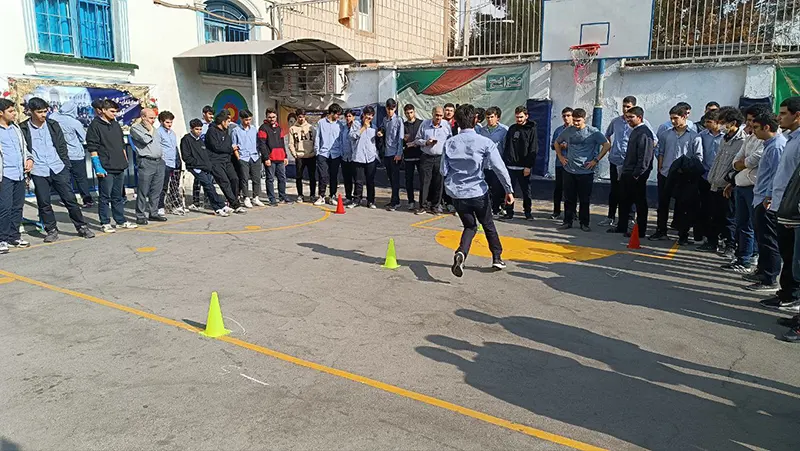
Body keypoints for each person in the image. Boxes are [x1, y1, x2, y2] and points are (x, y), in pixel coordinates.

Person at [443, 104, 514, 277]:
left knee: (469, 226)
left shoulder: (450, 143)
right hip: (477, 192)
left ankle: (461, 252)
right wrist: (508, 190)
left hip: (457, 194)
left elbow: (443, 171)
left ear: (456, 121)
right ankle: (497, 257)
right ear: (475, 120)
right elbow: (500, 168)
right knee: (488, 224)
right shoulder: (485, 142)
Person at [19, 97, 94, 242]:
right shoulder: (23, 128)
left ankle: (81, 226)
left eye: (45, 111)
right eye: (39, 112)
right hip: (38, 170)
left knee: (70, 199)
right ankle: (51, 229)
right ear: (31, 112)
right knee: (44, 202)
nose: (43, 115)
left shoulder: (53, 125)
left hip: (57, 167)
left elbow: (61, 146)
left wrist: (65, 166)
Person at [761, 96, 800, 323]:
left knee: (795, 259)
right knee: (788, 255)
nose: (779, 117)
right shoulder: (789, 139)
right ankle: (786, 294)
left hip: (793, 209)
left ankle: (791, 295)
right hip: (780, 205)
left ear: (797, 115)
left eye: (784, 113)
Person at [722, 104, 767, 273]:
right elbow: (737, 160)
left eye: (751, 122)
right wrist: (742, 164)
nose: (748, 126)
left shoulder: (766, 140)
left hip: (754, 187)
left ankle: (747, 259)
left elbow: (751, 161)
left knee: (749, 226)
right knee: (741, 223)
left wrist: (744, 163)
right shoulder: (749, 137)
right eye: (747, 122)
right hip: (741, 185)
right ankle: (742, 256)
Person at [649, 104, 704, 241]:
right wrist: (661, 168)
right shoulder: (666, 134)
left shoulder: (694, 136)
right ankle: (661, 230)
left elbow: (698, 157)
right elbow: (660, 152)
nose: (673, 121)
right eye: (671, 118)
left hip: (684, 176)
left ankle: (682, 235)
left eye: (676, 118)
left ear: (684, 116)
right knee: (663, 204)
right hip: (666, 173)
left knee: (683, 206)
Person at [744, 112, 786, 291]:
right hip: (760, 196)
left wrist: (768, 197)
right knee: (762, 239)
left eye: (755, 128)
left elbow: (777, 175)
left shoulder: (777, 146)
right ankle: (762, 270)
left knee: (769, 241)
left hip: (766, 201)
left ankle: (770, 278)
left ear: (766, 127)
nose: (752, 132)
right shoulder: (769, 145)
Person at [601, 96, 656, 228]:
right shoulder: (619, 123)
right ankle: (619, 223)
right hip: (619, 163)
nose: (628, 117)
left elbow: (646, 154)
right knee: (620, 194)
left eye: (631, 115)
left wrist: (638, 172)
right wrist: (612, 151)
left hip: (634, 171)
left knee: (637, 199)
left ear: (639, 116)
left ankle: (635, 224)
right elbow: (606, 136)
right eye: (624, 108)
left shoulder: (644, 131)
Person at [554, 108, 611, 231]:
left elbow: (606, 145)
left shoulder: (593, 132)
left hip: (586, 171)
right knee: (569, 198)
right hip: (569, 170)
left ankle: (584, 223)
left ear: (584, 119)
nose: (575, 123)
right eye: (574, 120)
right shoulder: (568, 131)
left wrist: (596, 160)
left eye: (578, 121)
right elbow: (556, 143)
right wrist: (561, 157)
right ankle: (567, 221)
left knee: (584, 199)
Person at [85, 99, 137, 233]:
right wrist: (97, 166)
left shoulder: (115, 125)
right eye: (112, 111)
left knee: (118, 196)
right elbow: (93, 147)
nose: (115, 114)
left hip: (119, 165)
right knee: (104, 196)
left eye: (116, 112)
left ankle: (120, 220)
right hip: (106, 166)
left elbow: (121, 144)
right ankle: (105, 222)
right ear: (103, 110)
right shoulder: (95, 126)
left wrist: (124, 160)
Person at [0, 98, 34, 253]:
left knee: (17, 207)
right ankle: (2, 238)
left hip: (19, 173)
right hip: (4, 175)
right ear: (1, 113)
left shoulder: (15, 128)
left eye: (14, 110)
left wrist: (29, 159)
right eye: (11, 111)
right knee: (4, 208)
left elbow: (24, 147)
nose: (14, 114)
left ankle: (14, 236)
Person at [180, 119, 229, 217]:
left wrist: (208, 166)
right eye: (196, 129)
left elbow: (205, 156)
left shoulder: (201, 141)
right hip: (195, 168)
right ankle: (218, 208)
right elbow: (186, 157)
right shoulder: (186, 140)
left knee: (210, 187)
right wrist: (198, 165)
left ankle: (221, 205)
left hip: (205, 168)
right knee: (208, 186)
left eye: (200, 129)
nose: (199, 131)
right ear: (191, 129)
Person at [50, 100, 93, 208]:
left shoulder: (52, 118)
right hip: (76, 154)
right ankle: (87, 200)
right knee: (81, 178)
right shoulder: (74, 122)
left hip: (60, 154)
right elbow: (83, 138)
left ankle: (69, 200)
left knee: (65, 179)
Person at [130, 108, 166, 225]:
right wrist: (150, 129)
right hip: (146, 161)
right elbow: (146, 139)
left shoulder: (155, 129)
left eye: (154, 118)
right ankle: (140, 214)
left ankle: (153, 213)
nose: (153, 121)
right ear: (143, 117)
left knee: (156, 190)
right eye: (151, 118)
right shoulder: (136, 128)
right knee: (143, 190)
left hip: (159, 162)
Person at [205, 110, 245, 214]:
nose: (229, 124)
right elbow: (216, 147)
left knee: (235, 179)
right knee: (224, 182)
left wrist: (230, 148)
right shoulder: (211, 131)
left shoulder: (226, 131)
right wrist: (231, 149)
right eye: (227, 121)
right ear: (222, 122)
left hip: (227, 160)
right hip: (216, 161)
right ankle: (235, 204)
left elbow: (227, 144)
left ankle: (233, 201)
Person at [414, 106, 452, 215]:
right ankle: (423, 206)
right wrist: (426, 142)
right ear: (432, 114)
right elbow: (417, 139)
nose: (438, 118)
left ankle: (435, 206)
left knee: (438, 183)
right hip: (426, 157)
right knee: (425, 182)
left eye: (440, 115)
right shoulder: (424, 124)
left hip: (440, 157)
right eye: (437, 115)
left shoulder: (446, 125)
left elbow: (450, 140)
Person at [696, 109, 725, 251]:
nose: (706, 124)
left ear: (718, 122)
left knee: (719, 211)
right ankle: (709, 238)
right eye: (705, 122)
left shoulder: (725, 137)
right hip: (705, 176)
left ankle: (722, 238)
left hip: (721, 179)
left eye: (709, 122)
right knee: (706, 209)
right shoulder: (701, 136)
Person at [501, 106, 536, 220]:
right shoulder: (512, 128)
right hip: (510, 165)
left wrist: (528, 166)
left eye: (521, 117)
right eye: (517, 117)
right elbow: (507, 146)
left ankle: (528, 212)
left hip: (523, 167)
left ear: (526, 116)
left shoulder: (531, 129)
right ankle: (509, 212)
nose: (519, 119)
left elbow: (533, 148)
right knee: (509, 190)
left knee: (526, 192)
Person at [479, 106, 508, 217]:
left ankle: (496, 209)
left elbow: (506, 148)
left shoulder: (504, 130)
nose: (489, 119)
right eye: (487, 117)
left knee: (497, 189)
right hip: (485, 165)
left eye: (492, 117)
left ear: (497, 118)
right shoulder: (482, 131)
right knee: (485, 189)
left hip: (497, 165)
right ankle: (486, 209)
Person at [257, 108, 290, 205]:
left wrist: (285, 156)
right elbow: (262, 144)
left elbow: (282, 143)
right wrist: (266, 158)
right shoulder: (263, 128)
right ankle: (272, 199)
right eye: (269, 117)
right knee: (270, 179)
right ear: (266, 117)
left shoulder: (279, 128)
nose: (272, 119)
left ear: (276, 117)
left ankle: (282, 197)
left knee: (282, 178)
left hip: (280, 158)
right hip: (270, 159)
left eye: (273, 117)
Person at [348, 105, 379, 208]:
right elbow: (352, 136)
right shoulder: (356, 124)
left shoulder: (374, 127)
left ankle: (371, 201)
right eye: (368, 115)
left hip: (370, 158)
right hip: (358, 157)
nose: (369, 117)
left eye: (371, 115)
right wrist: (363, 128)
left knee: (370, 180)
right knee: (358, 181)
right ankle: (357, 200)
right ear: (363, 115)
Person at [232, 109, 263, 208]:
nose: (248, 122)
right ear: (241, 119)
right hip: (243, 157)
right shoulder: (236, 130)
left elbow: (258, 142)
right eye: (246, 120)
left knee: (256, 178)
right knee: (244, 179)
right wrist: (238, 158)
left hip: (254, 156)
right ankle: (246, 197)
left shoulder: (254, 129)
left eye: (249, 119)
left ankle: (256, 197)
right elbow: (234, 145)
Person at [314, 103, 343, 206]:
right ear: (332, 113)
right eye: (337, 114)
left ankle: (332, 196)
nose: (338, 117)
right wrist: (317, 151)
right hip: (323, 153)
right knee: (323, 175)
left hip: (335, 154)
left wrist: (341, 152)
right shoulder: (321, 123)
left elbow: (341, 140)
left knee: (334, 176)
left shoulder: (340, 125)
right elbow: (318, 137)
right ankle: (321, 196)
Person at [378, 98, 404, 210]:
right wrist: (380, 132)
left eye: (392, 109)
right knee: (390, 178)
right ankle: (393, 200)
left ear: (395, 108)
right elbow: (382, 129)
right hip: (387, 153)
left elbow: (400, 138)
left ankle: (395, 201)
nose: (390, 111)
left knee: (395, 179)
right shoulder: (384, 120)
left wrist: (399, 153)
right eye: (388, 109)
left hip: (395, 154)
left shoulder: (399, 120)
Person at [156, 110, 184, 216]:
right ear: (161, 122)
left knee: (174, 185)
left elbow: (174, 147)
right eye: (167, 122)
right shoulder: (158, 133)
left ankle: (173, 205)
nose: (170, 124)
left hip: (174, 162)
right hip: (165, 162)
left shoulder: (172, 133)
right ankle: (160, 206)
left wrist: (178, 160)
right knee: (163, 186)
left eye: (171, 122)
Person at [189, 105, 216, 211]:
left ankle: (207, 200)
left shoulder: (213, 126)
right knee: (198, 179)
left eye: (212, 114)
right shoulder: (199, 125)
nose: (211, 116)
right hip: (199, 155)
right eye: (209, 114)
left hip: (209, 155)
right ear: (204, 114)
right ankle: (195, 201)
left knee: (209, 179)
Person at [288, 108, 316, 203]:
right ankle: (300, 195)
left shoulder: (311, 128)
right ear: (297, 117)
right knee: (299, 176)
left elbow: (316, 141)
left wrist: (315, 152)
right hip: (299, 156)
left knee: (312, 176)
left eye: (303, 117)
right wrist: (294, 154)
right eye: (300, 117)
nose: (301, 119)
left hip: (311, 155)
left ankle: (312, 195)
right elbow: (291, 143)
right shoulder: (292, 129)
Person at [551, 107, 573, 220]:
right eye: (564, 116)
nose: (566, 118)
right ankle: (556, 211)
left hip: (573, 165)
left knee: (571, 190)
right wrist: (560, 146)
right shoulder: (559, 130)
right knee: (558, 188)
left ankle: (571, 213)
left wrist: (568, 145)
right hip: (560, 163)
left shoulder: (576, 129)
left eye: (568, 115)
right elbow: (552, 145)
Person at [402, 104, 423, 210]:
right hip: (408, 156)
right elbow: (400, 141)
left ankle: (423, 201)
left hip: (420, 156)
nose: (409, 115)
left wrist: (416, 143)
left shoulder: (421, 123)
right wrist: (404, 141)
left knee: (423, 180)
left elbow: (424, 137)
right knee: (408, 180)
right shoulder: (403, 125)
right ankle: (411, 200)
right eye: (407, 113)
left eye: (411, 112)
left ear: (414, 112)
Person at [340, 109, 356, 204]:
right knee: (347, 178)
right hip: (344, 157)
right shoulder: (343, 128)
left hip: (354, 157)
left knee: (357, 178)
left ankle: (357, 197)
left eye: (350, 116)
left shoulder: (357, 126)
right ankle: (348, 196)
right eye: (346, 116)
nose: (348, 118)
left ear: (353, 117)